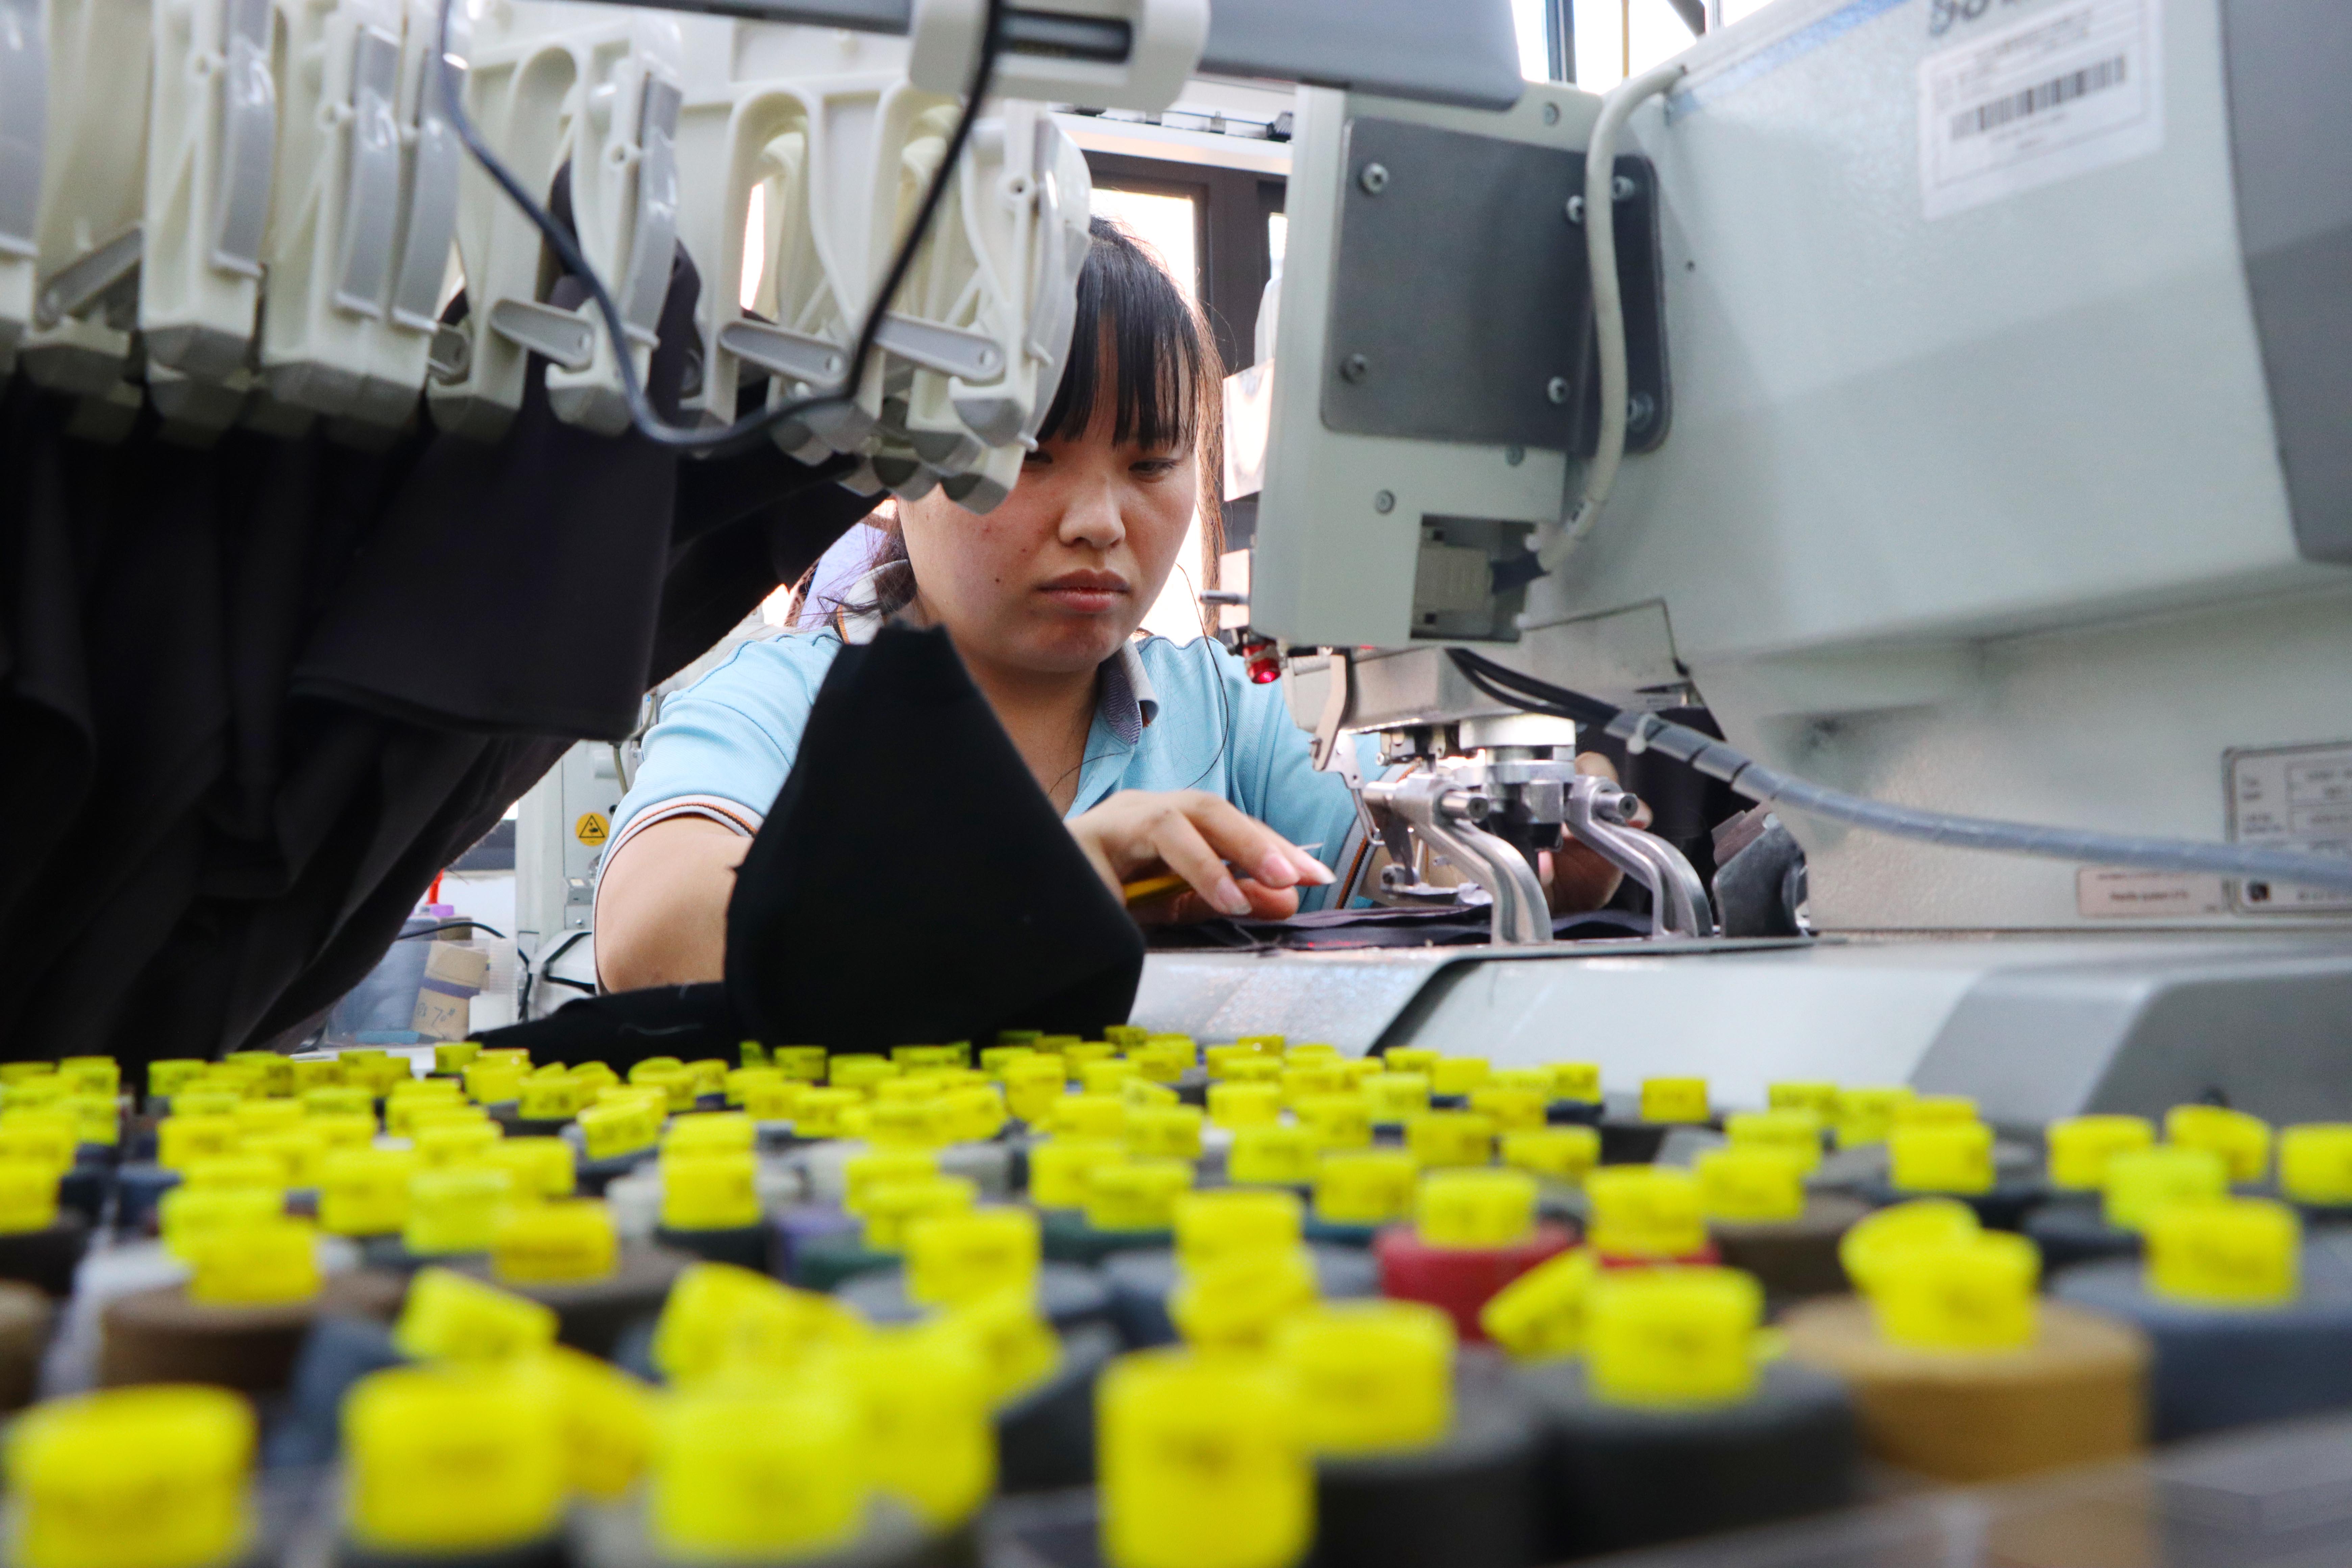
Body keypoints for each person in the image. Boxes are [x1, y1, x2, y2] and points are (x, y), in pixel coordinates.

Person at [594, 218, 1642, 990]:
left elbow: (1399, 880)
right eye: (1031, 456)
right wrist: (1048, 879)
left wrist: (1549, 850)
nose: (1100, 521)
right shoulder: (784, 702)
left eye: (1151, 464)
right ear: (902, 466)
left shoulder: (1224, 713)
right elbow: (654, 940)